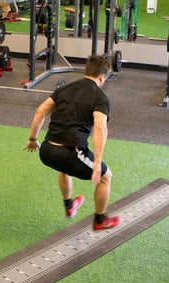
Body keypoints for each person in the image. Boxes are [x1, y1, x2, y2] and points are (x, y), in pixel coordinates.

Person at [23, 54, 120, 231]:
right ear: (102, 77)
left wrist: (32, 139)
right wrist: (97, 162)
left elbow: (41, 110)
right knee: (106, 177)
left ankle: (70, 206)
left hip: (46, 151)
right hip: (69, 153)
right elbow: (100, 128)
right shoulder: (100, 97)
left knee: (64, 166)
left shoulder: (65, 89)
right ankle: (100, 220)